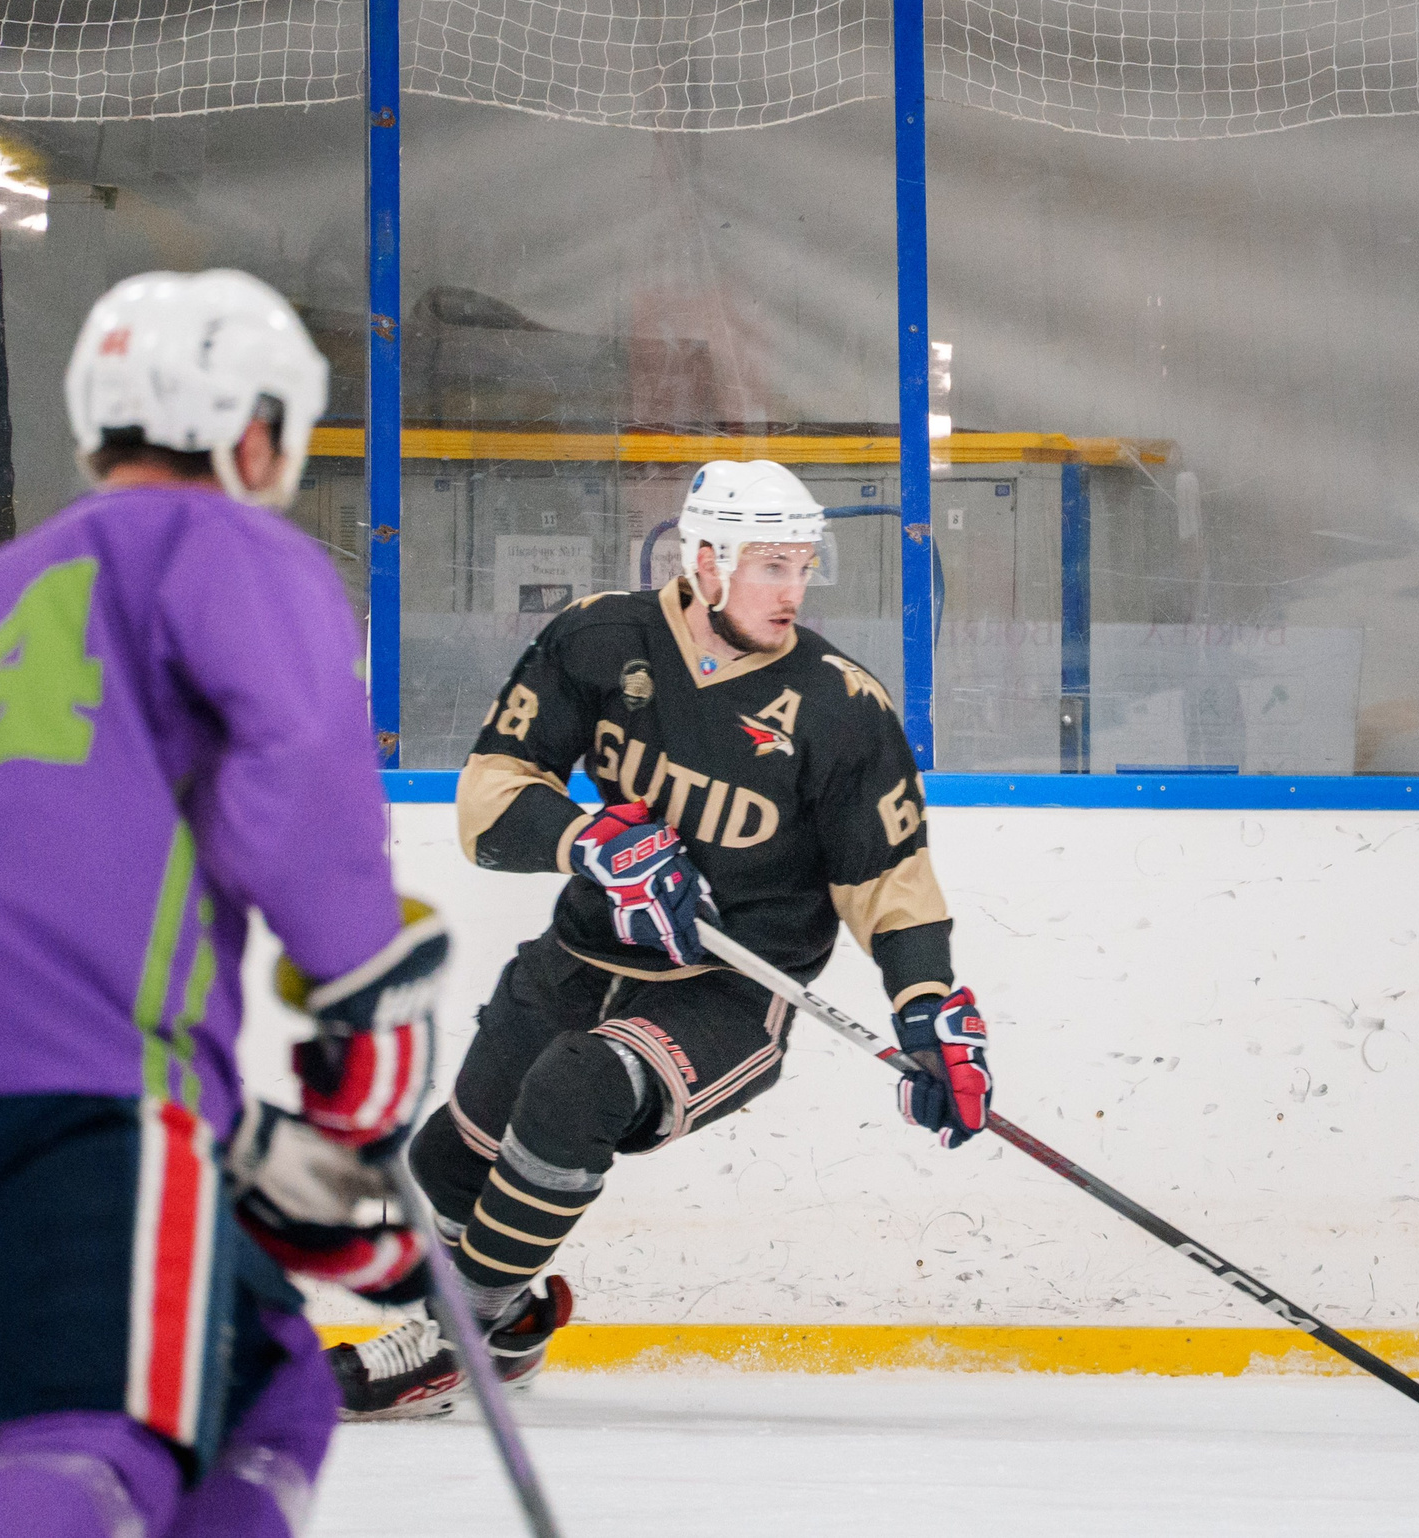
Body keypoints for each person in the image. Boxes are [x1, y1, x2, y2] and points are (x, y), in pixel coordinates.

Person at [0, 270, 449, 1538]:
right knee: (101, 1435)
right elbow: (301, 776)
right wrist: (368, 1001)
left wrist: (240, 1138)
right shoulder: (232, 545)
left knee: (264, 1379)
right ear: (256, 433)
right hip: (75, 1073)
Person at [330, 457, 993, 1418]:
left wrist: (927, 1006)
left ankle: (457, 1341)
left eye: (804, 566)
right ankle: (512, 1328)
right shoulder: (600, 641)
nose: (794, 590)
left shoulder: (841, 707)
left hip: (725, 991)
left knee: (575, 1088)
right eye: (772, 566)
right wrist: (588, 841)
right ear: (706, 559)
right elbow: (488, 805)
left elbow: (890, 881)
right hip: (580, 958)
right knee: (445, 1164)